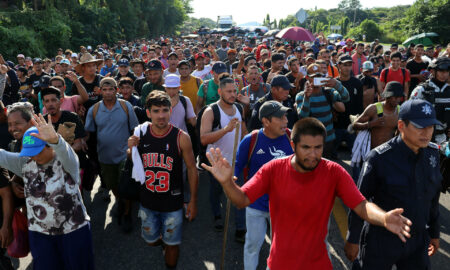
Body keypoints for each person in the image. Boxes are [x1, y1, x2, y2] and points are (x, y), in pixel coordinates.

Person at [202, 117, 413, 270]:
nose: (313, 155)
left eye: (318, 148)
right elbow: (242, 200)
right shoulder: (273, 169)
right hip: (279, 265)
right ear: (293, 145)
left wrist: (384, 218)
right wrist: (227, 182)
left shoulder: (333, 171)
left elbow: (361, 205)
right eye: (306, 148)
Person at [346, 99, 442, 270]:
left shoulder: (432, 154)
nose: (426, 132)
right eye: (419, 126)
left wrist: (434, 233)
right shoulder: (379, 158)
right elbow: (360, 200)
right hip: (381, 238)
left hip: (417, 240)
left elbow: (433, 198)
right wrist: (353, 239)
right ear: (401, 125)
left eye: (430, 126)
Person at [0, 115, 94, 270]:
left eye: (38, 150)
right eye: (29, 152)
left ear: (50, 146)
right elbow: (2, 156)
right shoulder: (25, 163)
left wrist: (56, 139)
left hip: (73, 231)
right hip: (40, 234)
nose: (34, 156)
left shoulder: (66, 162)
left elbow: (64, 150)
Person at [127, 90, 198, 269]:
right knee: (150, 241)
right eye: (156, 111)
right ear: (148, 112)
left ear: (170, 112)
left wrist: (193, 201)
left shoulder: (181, 137)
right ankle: (163, 242)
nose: (161, 115)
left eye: (165, 110)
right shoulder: (140, 134)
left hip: (173, 202)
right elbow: (133, 160)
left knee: (173, 245)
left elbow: (191, 168)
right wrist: (130, 149)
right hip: (148, 200)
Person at [234, 101, 294, 270]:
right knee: (252, 246)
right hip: (256, 204)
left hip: (283, 205)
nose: (286, 121)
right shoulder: (251, 140)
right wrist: (231, 177)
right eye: (280, 118)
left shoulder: (292, 138)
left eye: (286, 117)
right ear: (266, 121)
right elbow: (238, 165)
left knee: (279, 248)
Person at [85, 77, 139, 231]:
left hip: (124, 154)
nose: (108, 92)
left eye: (111, 89)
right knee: (112, 184)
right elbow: (89, 132)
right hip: (104, 156)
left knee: (126, 185)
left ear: (117, 90)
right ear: (100, 91)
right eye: (105, 89)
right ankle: (120, 202)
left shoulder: (125, 106)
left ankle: (127, 213)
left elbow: (135, 129)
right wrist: (80, 140)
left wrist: (134, 150)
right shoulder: (94, 109)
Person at [200, 74, 247, 238]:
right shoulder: (210, 111)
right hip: (217, 162)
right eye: (229, 91)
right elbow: (204, 138)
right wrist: (226, 129)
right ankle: (217, 215)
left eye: (235, 91)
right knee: (216, 191)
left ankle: (240, 228)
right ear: (220, 91)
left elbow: (244, 132)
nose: (233, 94)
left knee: (239, 192)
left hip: (237, 161)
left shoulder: (239, 108)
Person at [296, 63, 349, 158]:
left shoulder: (329, 91)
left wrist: (337, 85)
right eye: (314, 77)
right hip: (310, 141)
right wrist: (307, 97)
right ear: (307, 78)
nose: (317, 79)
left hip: (328, 141)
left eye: (319, 76)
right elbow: (302, 116)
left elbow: (346, 98)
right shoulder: (301, 96)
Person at [410, 57, 450, 145]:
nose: (445, 74)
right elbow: (409, 113)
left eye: (447, 71)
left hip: (444, 138)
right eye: (441, 71)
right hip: (423, 137)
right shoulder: (421, 89)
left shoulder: (448, 90)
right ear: (432, 71)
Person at [335, 55, 364, 154]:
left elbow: (360, 105)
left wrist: (358, 124)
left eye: (350, 65)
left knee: (355, 155)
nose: (348, 68)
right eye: (345, 65)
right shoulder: (334, 83)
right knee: (330, 155)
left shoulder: (357, 83)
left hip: (351, 125)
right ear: (339, 66)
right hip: (336, 126)